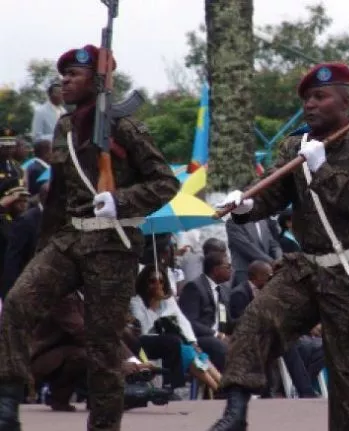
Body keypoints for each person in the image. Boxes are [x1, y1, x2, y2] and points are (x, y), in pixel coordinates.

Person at [0, 44, 179, 431]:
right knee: (16, 304)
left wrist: (122, 201)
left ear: (98, 81)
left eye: (74, 74)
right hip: (70, 238)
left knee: (102, 346)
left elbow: (166, 183)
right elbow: (59, 198)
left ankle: (103, 426)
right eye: (62, 74)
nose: (64, 80)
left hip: (112, 246)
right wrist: (44, 248)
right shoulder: (65, 127)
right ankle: (7, 402)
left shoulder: (125, 126)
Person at [209, 62, 349, 431]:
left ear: (344, 102)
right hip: (307, 269)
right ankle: (236, 412)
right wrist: (246, 207)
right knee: (256, 322)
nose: (310, 104)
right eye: (307, 98)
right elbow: (273, 196)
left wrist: (323, 169)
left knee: (347, 384)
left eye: (320, 96)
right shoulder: (296, 145)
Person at [130, 265, 221, 392]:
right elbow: (145, 328)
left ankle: (222, 385)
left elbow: (183, 322)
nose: (158, 285)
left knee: (196, 352)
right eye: (152, 281)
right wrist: (155, 302)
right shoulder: (137, 301)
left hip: (176, 344)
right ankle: (218, 388)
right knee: (186, 351)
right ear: (144, 283)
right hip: (148, 345)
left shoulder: (168, 300)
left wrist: (193, 341)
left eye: (161, 281)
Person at [177, 251, 233, 373]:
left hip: (219, 337)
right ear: (216, 269)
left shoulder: (222, 290)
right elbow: (190, 322)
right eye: (228, 266)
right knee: (220, 346)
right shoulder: (194, 287)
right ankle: (225, 387)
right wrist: (217, 334)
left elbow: (228, 322)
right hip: (199, 339)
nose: (231, 270)